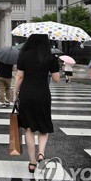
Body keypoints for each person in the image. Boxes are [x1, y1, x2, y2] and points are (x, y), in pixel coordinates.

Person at [12, 34, 60, 173]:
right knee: (43, 127)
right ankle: (41, 154)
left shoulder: (24, 56)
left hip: (27, 93)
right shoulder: (51, 57)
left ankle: (32, 162)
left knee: (28, 128)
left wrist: (15, 94)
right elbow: (56, 79)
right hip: (43, 94)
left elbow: (20, 76)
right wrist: (56, 67)